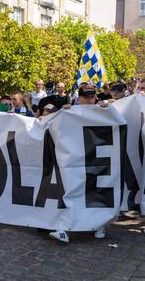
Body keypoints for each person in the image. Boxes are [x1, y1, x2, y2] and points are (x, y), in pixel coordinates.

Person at [49, 84, 107, 242]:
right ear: (79, 98)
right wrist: (64, 112)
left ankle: (98, 224)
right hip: (76, 158)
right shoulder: (71, 111)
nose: (90, 100)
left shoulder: (102, 108)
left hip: (96, 158)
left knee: (94, 191)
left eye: (92, 97)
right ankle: (66, 229)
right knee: (73, 191)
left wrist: (107, 108)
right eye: (86, 97)